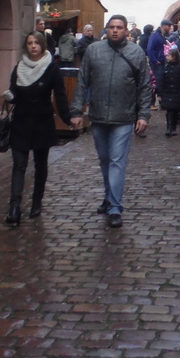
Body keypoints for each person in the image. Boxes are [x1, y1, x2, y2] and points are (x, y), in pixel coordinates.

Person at [70, 15, 152, 227]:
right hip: (98, 115)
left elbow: (144, 86)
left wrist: (143, 114)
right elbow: (82, 81)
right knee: (105, 159)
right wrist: (77, 111)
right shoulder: (94, 50)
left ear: (126, 30)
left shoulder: (136, 52)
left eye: (119, 27)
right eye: (112, 27)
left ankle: (115, 206)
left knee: (117, 161)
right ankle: (108, 196)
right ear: (107, 29)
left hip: (123, 116)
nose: (115, 30)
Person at [3, 30, 71, 227]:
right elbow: (14, 92)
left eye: (36, 43)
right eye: (29, 43)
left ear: (42, 45)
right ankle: (14, 207)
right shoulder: (19, 68)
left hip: (42, 122)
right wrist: (10, 96)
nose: (33, 46)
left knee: (41, 165)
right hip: (21, 121)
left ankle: (36, 201)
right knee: (19, 165)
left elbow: (60, 95)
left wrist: (67, 118)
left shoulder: (51, 68)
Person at [159, 48, 180, 136]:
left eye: (169, 55)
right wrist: (160, 93)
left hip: (177, 92)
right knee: (169, 110)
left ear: (174, 56)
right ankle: (169, 128)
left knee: (175, 110)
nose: (167, 57)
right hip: (168, 92)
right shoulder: (166, 66)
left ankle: (173, 127)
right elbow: (162, 80)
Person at [146, 19, 175, 91]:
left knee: (162, 79)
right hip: (157, 63)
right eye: (169, 26)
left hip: (162, 61)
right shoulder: (155, 35)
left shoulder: (162, 35)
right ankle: (159, 94)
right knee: (159, 79)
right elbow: (150, 48)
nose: (170, 28)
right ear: (163, 26)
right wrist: (155, 60)